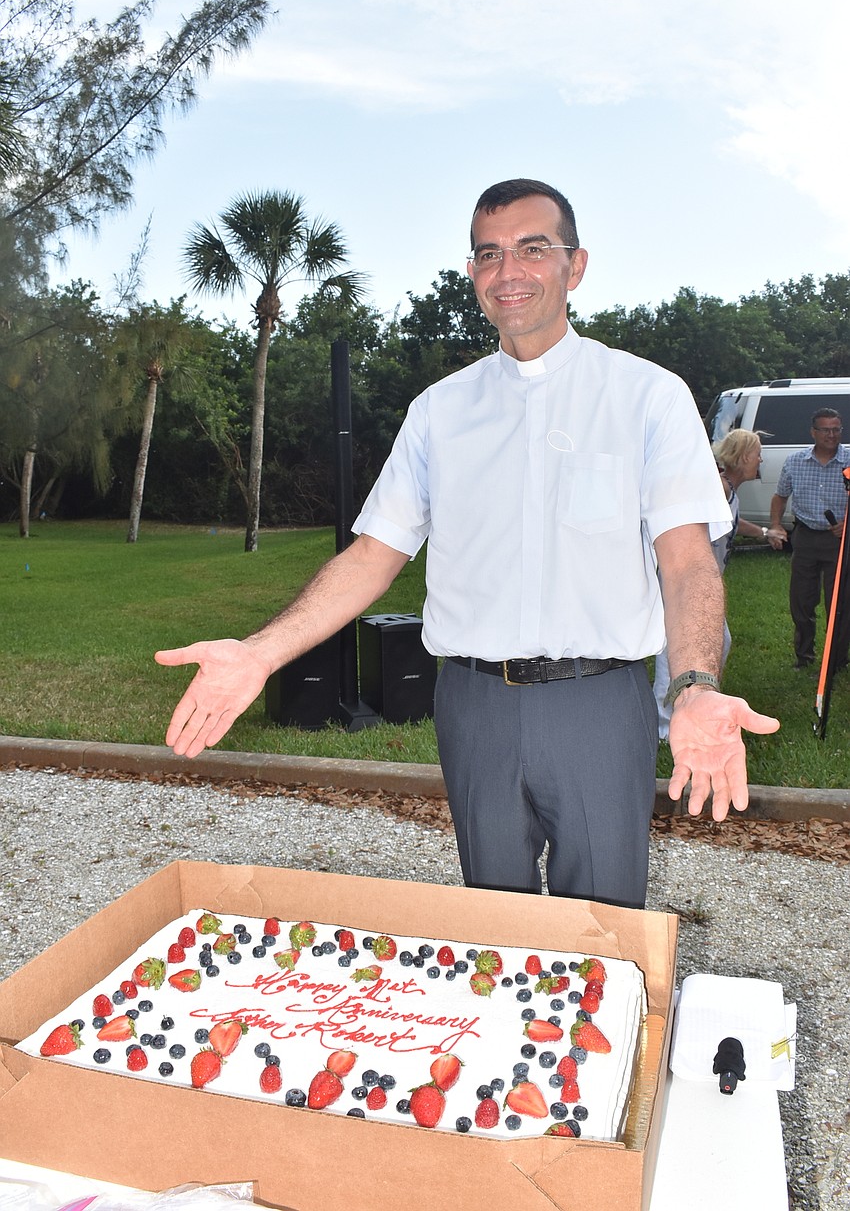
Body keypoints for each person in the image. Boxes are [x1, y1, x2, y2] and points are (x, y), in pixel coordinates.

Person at [156, 178, 779, 909]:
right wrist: (260, 653)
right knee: (491, 918)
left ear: (574, 267)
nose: (508, 272)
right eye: (488, 255)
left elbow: (686, 563)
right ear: (473, 274)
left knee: (607, 932)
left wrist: (695, 685)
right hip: (471, 705)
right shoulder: (439, 412)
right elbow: (371, 557)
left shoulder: (647, 396)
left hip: (598, 705)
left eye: (532, 249)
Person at [654, 429, 765, 738]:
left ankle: (697, 698)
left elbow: (728, 522)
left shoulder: (728, 489)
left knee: (720, 639)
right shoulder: (715, 487)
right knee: (672, 650)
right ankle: (664, 726)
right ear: (744, 457)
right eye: (757, 454)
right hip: (681, 583)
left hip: (700, 587)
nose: (761, 459)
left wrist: (765, 534)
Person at [766, 407, 850, 670]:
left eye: (836, 429)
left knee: (839, 603)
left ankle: (836, 661)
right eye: (825, 429)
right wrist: (776, 525)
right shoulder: (795, 462)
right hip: (804, 538)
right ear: (813, 432)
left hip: (839, 542)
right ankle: (804, 657)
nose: (831, 435)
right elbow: (780, 496)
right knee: (801, 600)